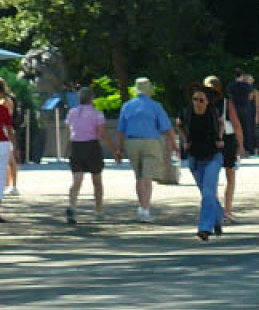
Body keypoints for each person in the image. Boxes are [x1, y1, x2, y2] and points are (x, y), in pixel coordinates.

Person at [115, 77, 178, 223]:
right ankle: (146, 209)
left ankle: (141, 207)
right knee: (147, 177)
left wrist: (119, 149)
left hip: (131, 143)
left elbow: (120, 130)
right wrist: (174, 145)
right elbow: (167, 128)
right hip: (151, 143)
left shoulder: (127, 106)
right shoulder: (156, 106)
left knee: (139, 177)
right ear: (149, 91)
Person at [177, 86, 225, 241]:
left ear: (207, 102)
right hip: (195, 158)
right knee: (206, 192)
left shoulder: (213, 112)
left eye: (201, 100)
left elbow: (222, 123)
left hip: (213, 156)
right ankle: (217, 219)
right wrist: (185, 141)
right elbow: (179, 124)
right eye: (194, 99)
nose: (197, 103)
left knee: (208, 192)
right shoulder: (187, 111)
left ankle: (205, 228)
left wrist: (220, 138)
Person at [67, 86, 118, 224]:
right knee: (97, 180)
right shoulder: (97, 114)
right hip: (92, 146)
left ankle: (72, 207)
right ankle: (99, 210)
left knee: (77, 179)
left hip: (76, 146)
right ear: (92, 99)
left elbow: (69, 129)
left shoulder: (72, 113)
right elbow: (102, 133)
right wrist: (114, 151)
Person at [201, 76, 245, 221]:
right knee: (230, 176)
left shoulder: (200, 102)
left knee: (210, 178)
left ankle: (213, 209)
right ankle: (226, 210)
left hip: (208, 141)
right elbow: (236, 123)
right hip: (227, 140)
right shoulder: (226, 102)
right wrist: (241, 144)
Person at [227, 68, 259, 155]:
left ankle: (236, 148)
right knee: (246, 129)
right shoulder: (247, 86)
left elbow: (230, 98)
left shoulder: (231, 86)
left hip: (235, 109)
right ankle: (247, 149)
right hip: (245, 109)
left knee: (235, 129)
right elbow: (250, 97)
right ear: (242, 75)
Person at [0, 79, 18, 197]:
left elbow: (8, 118)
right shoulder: (5, 102)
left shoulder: (6, 101)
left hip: (5, 132)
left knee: (10, 160)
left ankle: (13, 185)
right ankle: (10, 185)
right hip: (4, 134)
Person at [0, 89, 14, 224]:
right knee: (0, 176)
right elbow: (9, 129)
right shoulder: (3, 110)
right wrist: (15, 147)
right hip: (2, 144)